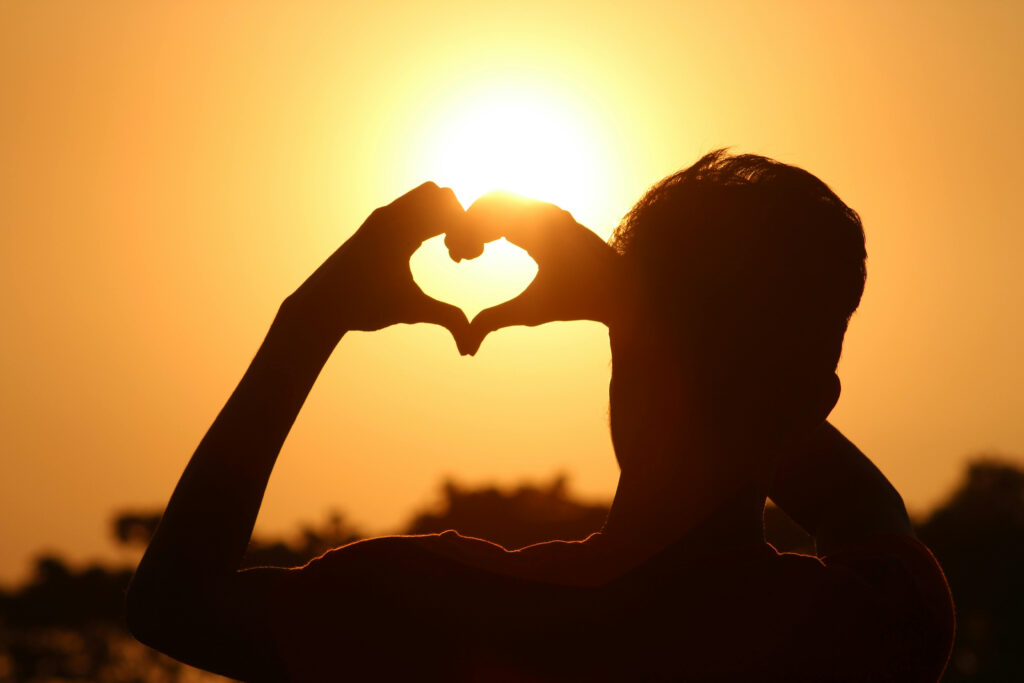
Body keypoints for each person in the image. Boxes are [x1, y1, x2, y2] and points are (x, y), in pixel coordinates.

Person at [126, 150, 955, 681]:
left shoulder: (440, 604)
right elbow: (863, 508)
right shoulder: (865, 629)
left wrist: (308, 319)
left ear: (620, 359)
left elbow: (174, 600)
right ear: (816, 401)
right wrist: (641, 312)